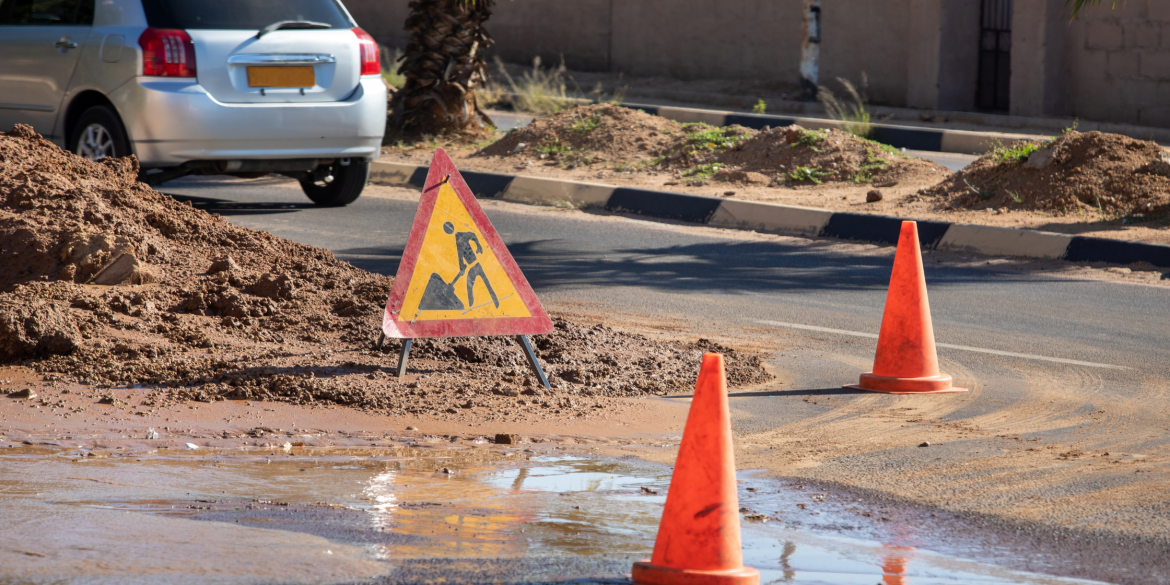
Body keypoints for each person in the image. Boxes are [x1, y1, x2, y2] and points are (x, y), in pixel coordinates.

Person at [444, 221, 499, 308]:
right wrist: (462, 267)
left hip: (474, 266)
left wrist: (479, 246)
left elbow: (472, 235)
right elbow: (460, 257)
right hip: (475, 266)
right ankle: (493, 302)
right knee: (485, 283)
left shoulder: (460, 236)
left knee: (471, 286)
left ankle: (472, 307)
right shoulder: (458, 239)